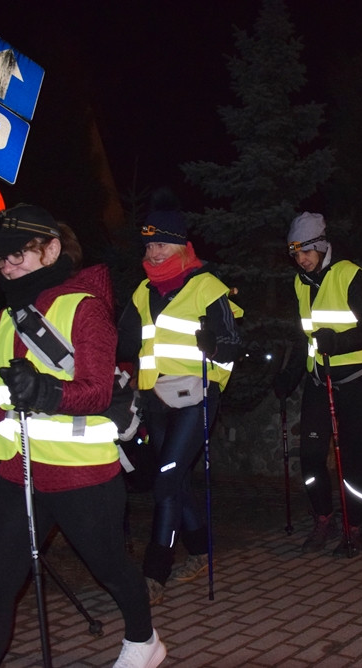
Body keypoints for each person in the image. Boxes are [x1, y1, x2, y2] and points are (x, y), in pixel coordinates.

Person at [0, 204, 165, 668]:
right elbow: (1, 396)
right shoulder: (10, 317)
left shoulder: (83, 308)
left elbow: (97, 391)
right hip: (19, 474)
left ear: (52, 250)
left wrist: (44, 391)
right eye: (0, 260)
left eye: (17, 254)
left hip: (82, 476)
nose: (6, 266)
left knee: (111, 570)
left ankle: (144, 641)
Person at [116, 189, 242, 606]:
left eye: (161, 243)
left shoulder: (207, 287)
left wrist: (217, 344)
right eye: (149, 244)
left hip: (197, 396)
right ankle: (203, 553)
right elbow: (124, 343)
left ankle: (155, 574)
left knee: (166, 480)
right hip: (156, 397)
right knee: (177, 481)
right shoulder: (142, 291)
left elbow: (232, 344)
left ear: (181, 245)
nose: (153, 252)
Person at [273, 212, 362, 556]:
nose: (301, 260)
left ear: (322, 246)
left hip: (359, 378)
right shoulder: (301, 283)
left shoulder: (350, 275)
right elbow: (306, 338)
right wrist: (290, 376)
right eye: (295, 254)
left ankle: (354, 527)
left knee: (352, 459)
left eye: (306, 252)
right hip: (321, 378)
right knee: (311, 455)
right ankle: (323, 518)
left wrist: (337, 343)